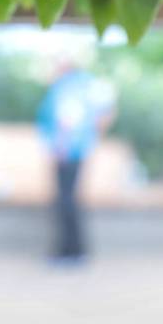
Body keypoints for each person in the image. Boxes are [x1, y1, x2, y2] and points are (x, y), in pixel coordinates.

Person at [37, 65, 116, 264]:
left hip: (69, 153)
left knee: (67, 202)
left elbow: (68, 120)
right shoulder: (78, 85)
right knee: (67, 201)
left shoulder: (71, 87)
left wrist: (77, 142)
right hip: (71, 151)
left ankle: (72, 252)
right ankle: (70, 250)